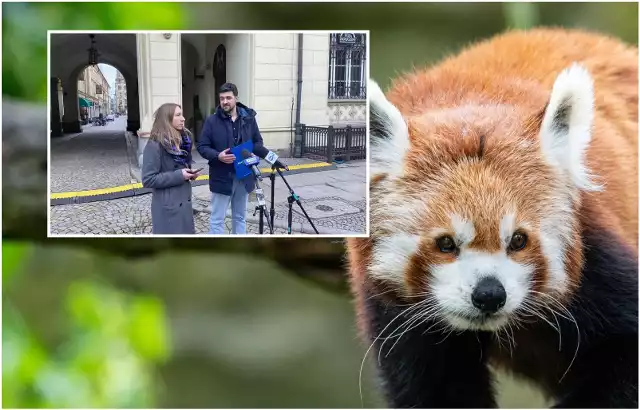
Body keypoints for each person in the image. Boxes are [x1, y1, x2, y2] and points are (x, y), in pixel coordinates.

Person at [197, 83, 281, 234]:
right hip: (222, 176)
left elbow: (257, 142)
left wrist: (267, 157)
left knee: (240, 217)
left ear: (236, 98)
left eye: (228, 98)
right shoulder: (211, 121)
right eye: (222, 98)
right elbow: (202, 147)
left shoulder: (249, 119)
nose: (225, 102)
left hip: (244, 176)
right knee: (217, 219)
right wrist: (218, 156)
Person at [141, 103, 200, 234]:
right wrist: (180, 175)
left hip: (184, 204)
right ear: (166, 119)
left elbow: (181, 168)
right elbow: (148, 179)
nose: (183, 118)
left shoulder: (183, 140)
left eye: (182, 114)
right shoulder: (155, 145)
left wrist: (189, 174)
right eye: (178, 115)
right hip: (168, 208)